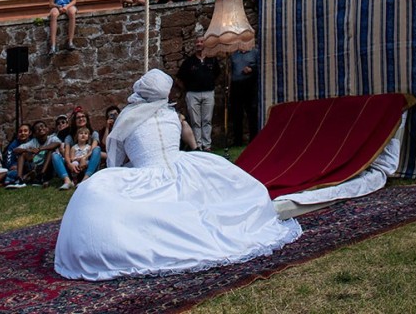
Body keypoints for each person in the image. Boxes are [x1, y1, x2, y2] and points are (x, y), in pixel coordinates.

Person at [54, 68, 301, 279]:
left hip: (147, 170)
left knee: (95, 198)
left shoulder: (126, 119)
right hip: (181, 166)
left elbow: (116, 160)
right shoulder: (172, 116)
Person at [176, 35, 220, 151]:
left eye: (201, 42)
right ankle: (198, 145)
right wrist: (187, 89)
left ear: (205, 44)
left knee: (207, 120)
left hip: (208, 92)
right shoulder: (189, 61)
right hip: (193, 94)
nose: (199, 44)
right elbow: (179, 79)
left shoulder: (212, 60)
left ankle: (207, 145)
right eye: (197, 42)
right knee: (195, 120)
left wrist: (210, 84)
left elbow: (217, 75)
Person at [230, 46, 259, 146]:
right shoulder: (234, 54)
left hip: (250, 85)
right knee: (237, 114)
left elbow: (260, 67)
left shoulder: (255, 52)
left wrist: (251, 69)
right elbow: (231, 70)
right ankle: (237, 141)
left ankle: (254, 139)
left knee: (252, 113)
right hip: (236, 86)